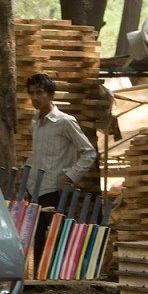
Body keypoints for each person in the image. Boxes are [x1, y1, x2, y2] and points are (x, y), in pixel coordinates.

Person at [24, 72, 97, 271]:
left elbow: (89, 153)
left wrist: (70, 176)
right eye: (32, 93)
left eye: (39, 92)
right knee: (36, 233)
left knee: (57, 233)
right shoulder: (35, 122)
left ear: (50, 94)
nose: (35, 97)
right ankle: (40, 277)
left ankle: (57, 276)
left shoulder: (65, 122)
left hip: (55, 188)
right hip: (35, 187)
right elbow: (37, 154)